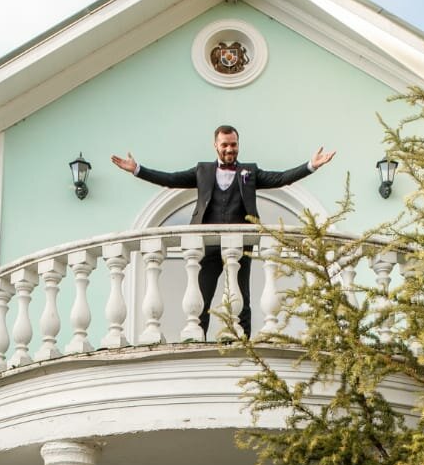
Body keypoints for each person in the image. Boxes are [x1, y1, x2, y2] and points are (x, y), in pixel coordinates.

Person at [111, 126, 335, 338]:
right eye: (225, 144)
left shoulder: (249, 171)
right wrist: (137, 170)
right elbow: (171, 179)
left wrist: (311, 166)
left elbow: (281, 178)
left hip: (241, 244)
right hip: (209, 245)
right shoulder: (203, 170)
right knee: (202, 294)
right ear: (215, 145)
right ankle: (196, 337)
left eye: (233, 144)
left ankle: (243, 340)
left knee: (242, 296)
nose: (230, 149)